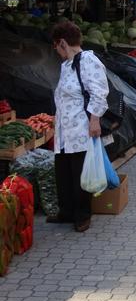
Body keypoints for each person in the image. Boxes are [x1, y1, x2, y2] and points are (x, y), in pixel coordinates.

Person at [49, 21, 109, 232]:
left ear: (63, 42)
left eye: (55, 46)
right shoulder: (67, 65)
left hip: (81, 128)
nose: (55, 50)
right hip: (65, 130)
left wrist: (95, 120)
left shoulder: (89, 61)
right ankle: (66, 211)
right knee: (63, 171)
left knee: (80, 172)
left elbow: (99, 92)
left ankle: (83, 215)